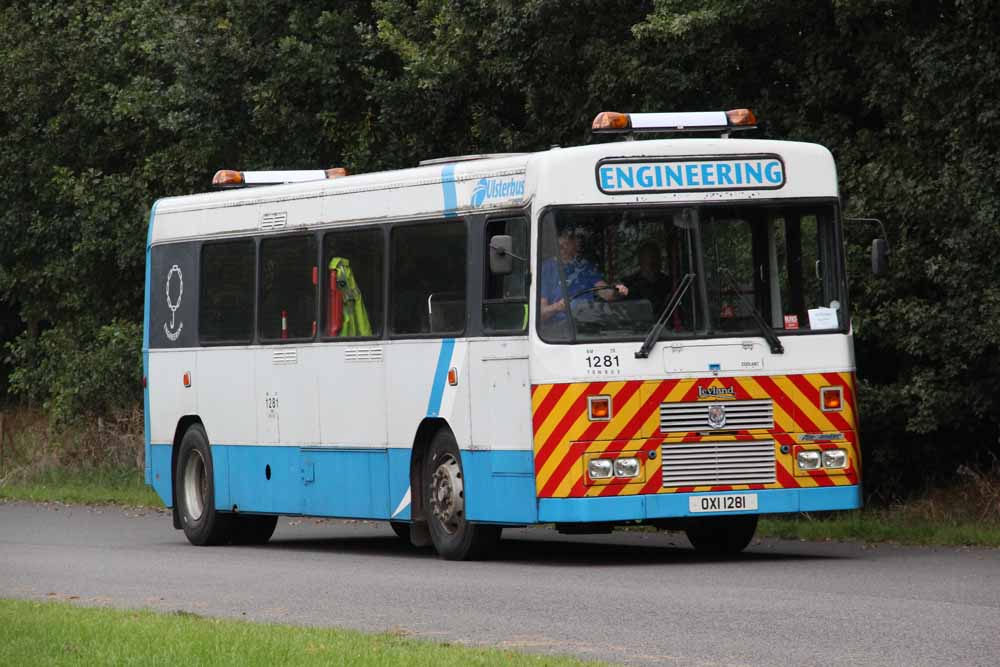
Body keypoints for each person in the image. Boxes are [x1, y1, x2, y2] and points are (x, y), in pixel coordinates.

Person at [539, 226, 627, 322]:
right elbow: (541, 313)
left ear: (573, 243)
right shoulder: (546, 269)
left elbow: (606, 293)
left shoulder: (584, 266)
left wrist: (617, 290)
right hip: (561, 328)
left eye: (567, 243)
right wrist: (557, 307)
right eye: (561, 246)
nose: (564, 248)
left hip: (589, 324)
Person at [623, 241, 672, 312]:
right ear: (640, 261)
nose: (652, 263)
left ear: (660, 261)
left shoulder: (669, 283)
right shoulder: (628, 284)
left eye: (655, 258)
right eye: (647, 259)